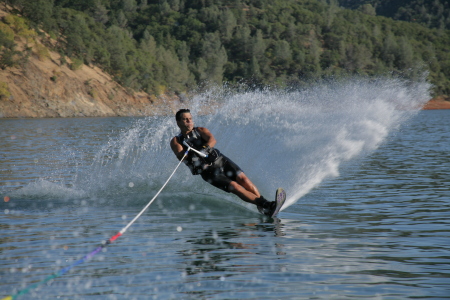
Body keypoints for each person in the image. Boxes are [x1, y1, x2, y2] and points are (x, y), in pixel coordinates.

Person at [170, 108, 276, 216]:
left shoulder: (200, 130)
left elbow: (212, 140)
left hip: (221, 161)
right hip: (208, 172)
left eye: (190, 119)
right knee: (235, 187)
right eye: (185, 119)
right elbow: (181, 156)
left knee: (244, 180)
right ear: (178, 122)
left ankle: (262, 205)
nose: (189, 121)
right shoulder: (176, 141)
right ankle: (266, 204)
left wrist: (205, 148)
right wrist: (187, 153)